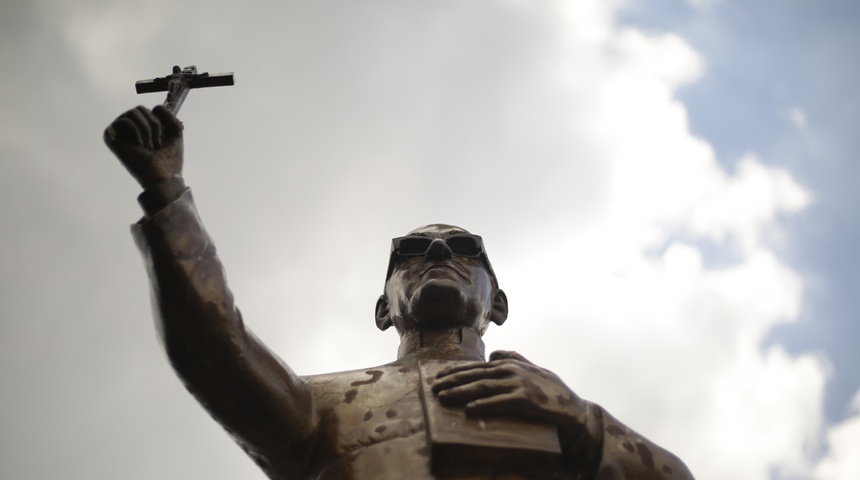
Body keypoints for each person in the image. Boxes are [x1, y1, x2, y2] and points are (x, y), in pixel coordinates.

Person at [104, 105, 694, 480]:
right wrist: (165, 193)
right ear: (385, 308)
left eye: (466, 249)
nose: (438, 255)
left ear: (499, 304)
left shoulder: (554, 411)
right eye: (409, 255)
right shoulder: (323, 408)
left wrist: (582, 423)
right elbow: (212, 345)